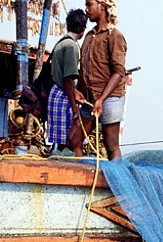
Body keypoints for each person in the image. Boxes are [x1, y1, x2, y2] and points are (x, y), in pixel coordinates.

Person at [69, 0, 127, 160]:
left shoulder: (115, 36)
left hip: (110, 98)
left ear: (102, 7)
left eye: (89, 5)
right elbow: (84, 70)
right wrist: (78, 90)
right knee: (73, 141)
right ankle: (79, 179)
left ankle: (116, 181)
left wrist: (101, 99)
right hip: (90, 99)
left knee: (111, 145)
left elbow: (118, 73)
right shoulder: (89, 36)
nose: (86, 9)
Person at [47, 9, 88, 155]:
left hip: (57, 93)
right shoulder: (71, 46)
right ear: (83, 29)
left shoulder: (60, 43)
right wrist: (74, 107)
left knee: (62, 142)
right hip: (64, 95)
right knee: (73, 141)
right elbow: (68, 79)